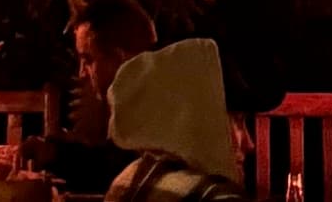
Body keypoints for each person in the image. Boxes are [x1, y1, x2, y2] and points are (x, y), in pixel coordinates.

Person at [6, 0, 159, 190]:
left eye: (88, 60)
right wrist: (57, 149)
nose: (81, 73)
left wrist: (55, 154)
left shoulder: (157, 108)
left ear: (119, 58)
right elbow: (113, 161)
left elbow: (114, 175)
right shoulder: (144, 95)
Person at [103, 39, 243, 202]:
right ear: (194, 116)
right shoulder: (215, 194)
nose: (249, 143)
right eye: (237, 121)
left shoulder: (128, 179)